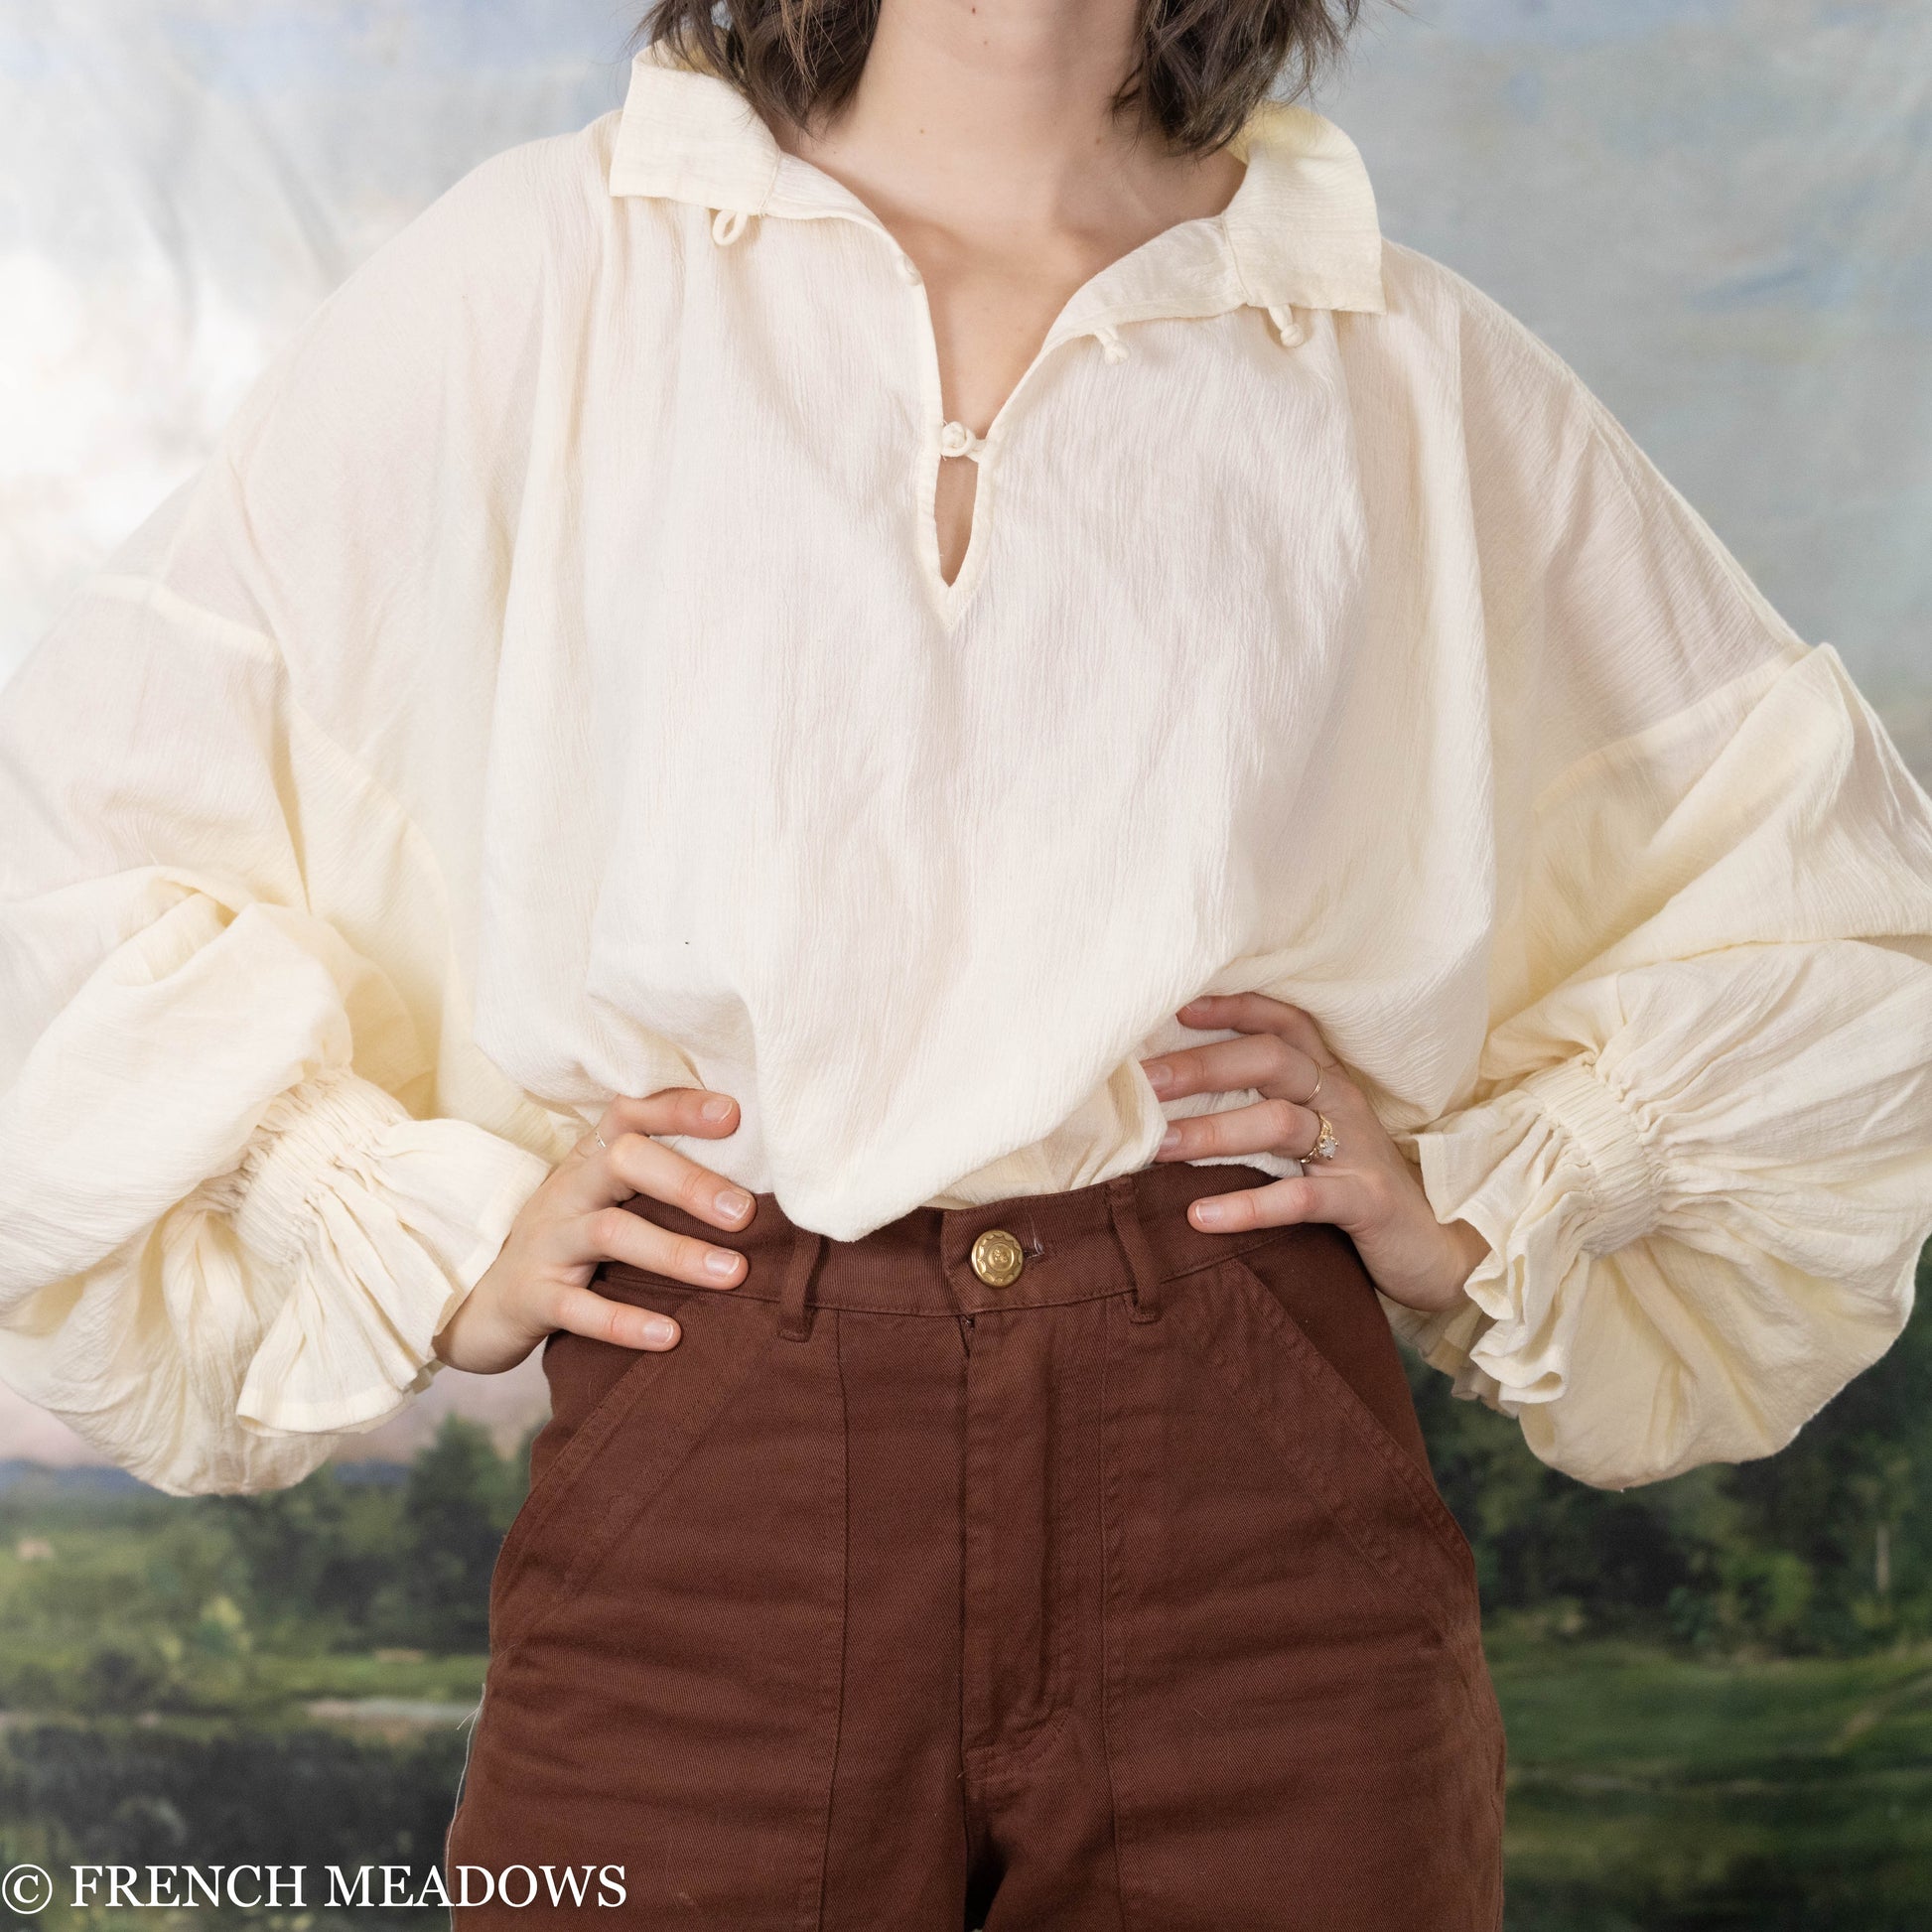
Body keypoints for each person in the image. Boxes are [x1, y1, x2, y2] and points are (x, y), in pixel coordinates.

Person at [3, 0, 1931, 1924]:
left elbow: (1824, 890)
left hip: (1256, 1487)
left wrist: (1522, 1189)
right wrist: (396, 1221)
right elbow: (91, 807)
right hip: (718, 1469)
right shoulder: (563, 268)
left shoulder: (1384, 357)